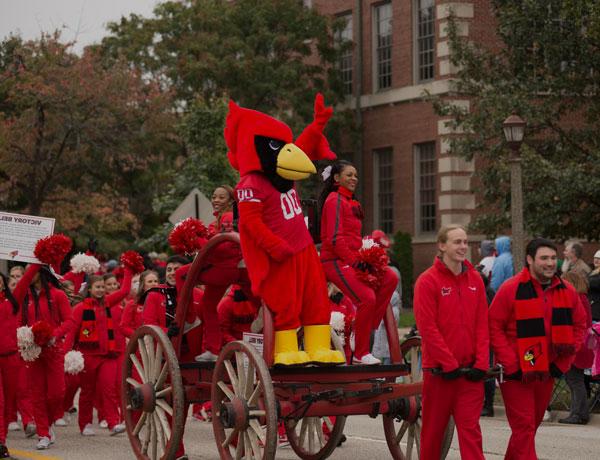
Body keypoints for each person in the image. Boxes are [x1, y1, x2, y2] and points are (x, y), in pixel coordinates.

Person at [489, 238, 587, 460]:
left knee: (529, 429)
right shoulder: (511, 288)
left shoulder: (567, 290)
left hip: (548, 370)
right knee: (524, 427)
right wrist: (511, 363)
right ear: (530, 260)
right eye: (544, 258)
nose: (550, 263)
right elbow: (493, 325)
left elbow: (580, 325)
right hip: (516, 373)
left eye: (553, 258)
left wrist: (563, 363)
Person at [413, 224, 489, 460]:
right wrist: (448, 364)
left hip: (469, 375)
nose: (463, 247)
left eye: (465, 242)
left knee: (471, 433)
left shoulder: (475, 279)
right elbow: (428, 329)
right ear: (442, 245)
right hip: (440, 375)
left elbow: (482, 324)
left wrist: (482, 363)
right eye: (457, 242)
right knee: (433, 434)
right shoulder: (427, 281)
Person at [319, 161, 398, 365]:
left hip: (354, 258)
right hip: (335, 260)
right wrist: (356, 262)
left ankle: (363, 329)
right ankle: (361, 353)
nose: (354, 178)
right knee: (367, 298)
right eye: (349, 175)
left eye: (356, 175)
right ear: (337, 179)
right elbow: (335, 239)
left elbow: (353, 236)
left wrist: (366, 253)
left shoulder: (351, 201)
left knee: (390, 276)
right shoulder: (334, 200)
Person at [62, 266, 133, 437]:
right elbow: (72, 332)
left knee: (108, 389)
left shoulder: (108, 302)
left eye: (103, 287)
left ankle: (113, 423)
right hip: (88, 356)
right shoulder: (80, 308)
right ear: (90, 289)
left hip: (107, 356)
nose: (101, 290)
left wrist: (129, 269)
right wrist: (65, 355)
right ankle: (85, 424)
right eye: (98, 287)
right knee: (87, 391)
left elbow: (124, 291)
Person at [22, 266, 73, 450]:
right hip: (32, 352)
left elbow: (69, 321)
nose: (28, 274)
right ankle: (43, 434)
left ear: (41, 272)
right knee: (37, 395)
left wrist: (55, 335)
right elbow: (18, 321)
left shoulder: (57, 295)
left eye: (32, 270)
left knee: (57, 393)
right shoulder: (24, 296)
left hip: (54, 350)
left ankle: (49, 423)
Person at [0, 265, 40, 459]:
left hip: (11, 359)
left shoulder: (12, 300)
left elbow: (27, 278)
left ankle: (2, 442)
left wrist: (38, 261)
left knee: (8, 405)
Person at [559, 271, 593, 425]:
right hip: (585, 343)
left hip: (577, 344)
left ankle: (577, 413)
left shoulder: (576, 299)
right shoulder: (584, 298)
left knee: (574, 380)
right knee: (577, 380)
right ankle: (582, 413)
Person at [588, 250, 600, 322]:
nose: (596, 260)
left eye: (599, 259)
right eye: (595, 258)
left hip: (597, 313)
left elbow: (595, 283)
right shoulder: (593, 272)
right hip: (592, 310)